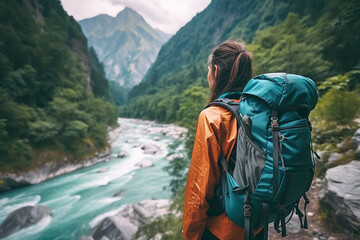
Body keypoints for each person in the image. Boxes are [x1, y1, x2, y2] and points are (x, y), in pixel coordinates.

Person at [182, 40, 255, 240]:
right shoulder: (259, 111)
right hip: (257, 224)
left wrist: (191, 235)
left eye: (208, 70)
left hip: (222, 230)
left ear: (215, 71)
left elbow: (200, 188)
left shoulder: (213, 116)